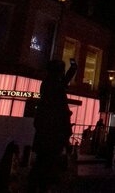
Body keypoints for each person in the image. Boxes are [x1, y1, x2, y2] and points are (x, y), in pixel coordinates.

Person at [29, 57, 77, 192]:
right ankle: (42, 186)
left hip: (45, 131)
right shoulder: (55, 86)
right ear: (58, 72)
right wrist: (73, 67)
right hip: (53, 132)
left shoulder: (47, 84)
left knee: (42, 161)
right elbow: (62, 111)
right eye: (61, 70)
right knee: (48, 162)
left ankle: (35, 185)